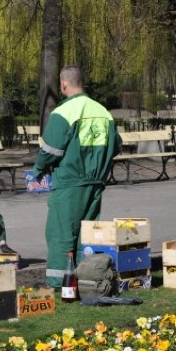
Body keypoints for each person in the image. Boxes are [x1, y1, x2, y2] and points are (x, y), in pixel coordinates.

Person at [33, 64, 122, 287]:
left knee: (61, 233)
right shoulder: (103, 112)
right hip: (96, 182)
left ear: (64, 84)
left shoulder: (64, 112)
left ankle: (58, 283)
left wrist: (38, 169)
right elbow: (116, 146)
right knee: (87, 234)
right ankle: (86, 280)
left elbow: (51, 149)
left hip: (69, 182)